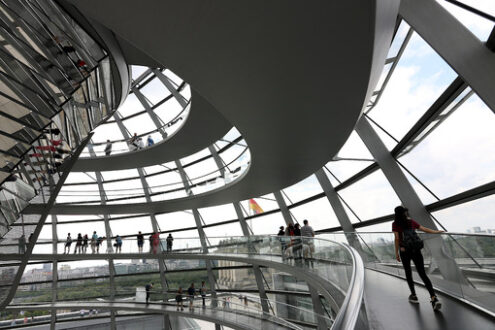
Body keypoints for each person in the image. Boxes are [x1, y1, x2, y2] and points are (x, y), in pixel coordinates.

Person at [392, 206, 443, 311]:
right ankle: (434, 298)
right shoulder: (410, 222)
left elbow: (397, 238)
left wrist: (396, 252)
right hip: (416, 250)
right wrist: (436, 232)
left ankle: (414, 296)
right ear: (404, 213)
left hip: (404, 251)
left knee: (408, 272)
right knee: (422, 274)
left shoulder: (395, 224)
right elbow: (424, 229)